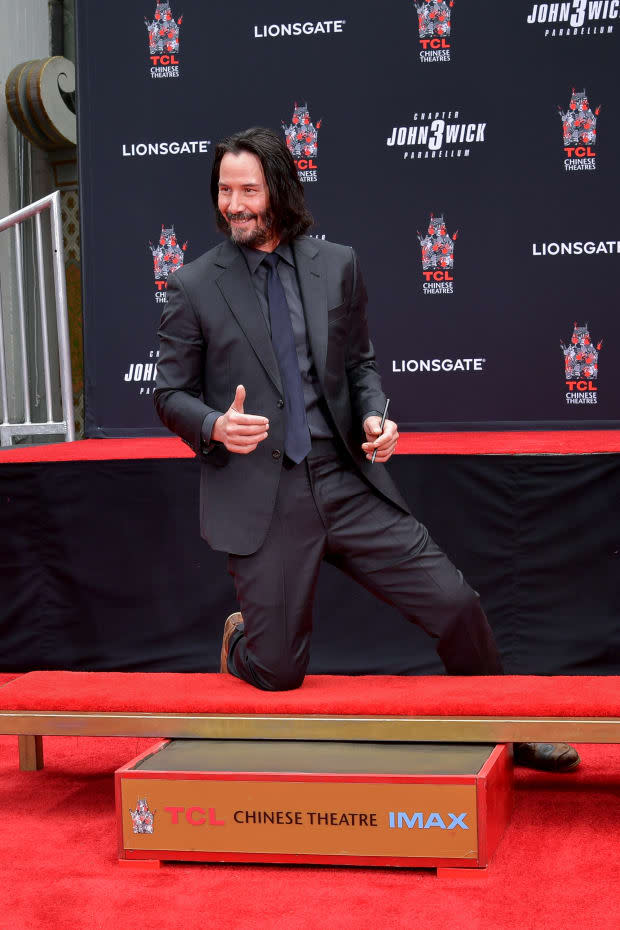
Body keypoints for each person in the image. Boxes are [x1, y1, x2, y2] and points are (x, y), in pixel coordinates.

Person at [154, 127, 578, 773]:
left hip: (345, 480)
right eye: (224, 191)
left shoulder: (337, 265)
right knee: (277, 675)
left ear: (280, 188)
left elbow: (359, 365)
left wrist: (376, 416)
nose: (233, 205)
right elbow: (167, 393)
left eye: (248, 190)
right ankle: (244, 640)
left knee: (455, 604)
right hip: (265, 495)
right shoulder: (194, 285)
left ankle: (508, 730)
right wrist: (213, 425)